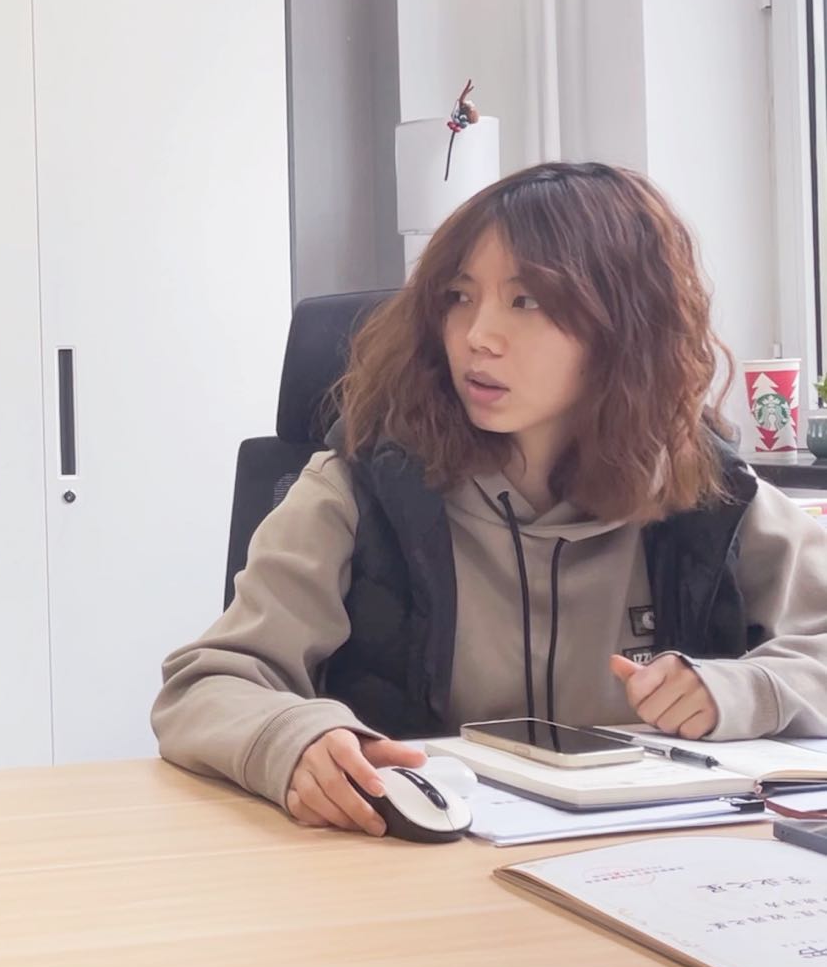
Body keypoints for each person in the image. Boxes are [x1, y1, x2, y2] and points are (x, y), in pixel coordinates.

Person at [153, 162, 827, 837]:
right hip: (410, 865)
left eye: (525, 301)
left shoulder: (709, 497)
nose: (477, 335)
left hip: (655, 860)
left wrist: (746, 690)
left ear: (624, 323)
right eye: (458, 296)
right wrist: (294, 740)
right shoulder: (362, 490)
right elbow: (206, 684)